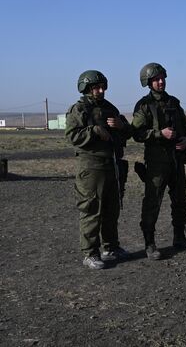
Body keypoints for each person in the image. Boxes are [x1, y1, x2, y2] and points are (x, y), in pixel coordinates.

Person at [65, 70, 132, 270]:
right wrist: (93, 131)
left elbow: (128, 133)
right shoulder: (79, 109)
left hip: (112, 164)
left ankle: (111, 247)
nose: (101, 91)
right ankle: (90, 253)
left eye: (103, 87)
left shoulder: (110, 108)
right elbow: (72, 136)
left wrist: (121, 125)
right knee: (92, 210)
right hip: (91, 166)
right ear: (86, 88)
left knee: (112, 208)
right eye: (96, 88)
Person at [132, 62, 186, 260]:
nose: (161, 82)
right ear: (148, 83)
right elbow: (137, 133)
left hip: (176, 160)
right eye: (156, 80)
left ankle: (179, 237)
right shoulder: (143, 106)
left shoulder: (174, 103)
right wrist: (160, 134)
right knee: (152, 203)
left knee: (179, 200)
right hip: (157, 162)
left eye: (162, 79)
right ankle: (150, 243)